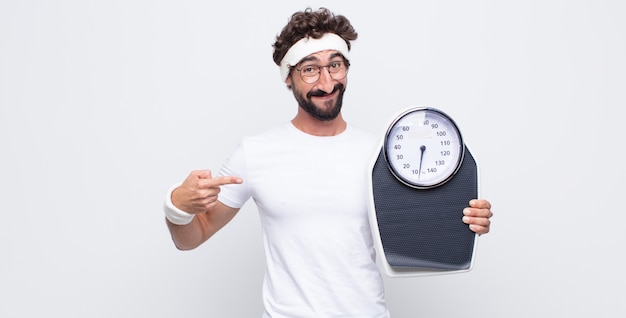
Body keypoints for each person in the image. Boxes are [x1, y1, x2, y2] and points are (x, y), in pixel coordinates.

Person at [163, 7, 493, 318]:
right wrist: (177, 206)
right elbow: (191, 237)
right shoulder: (255, 153)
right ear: (288, 78)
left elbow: (418, 231)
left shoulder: (380, 154)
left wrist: (463, 223)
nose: (326, 82)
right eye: (309, 69)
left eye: (335, 65)